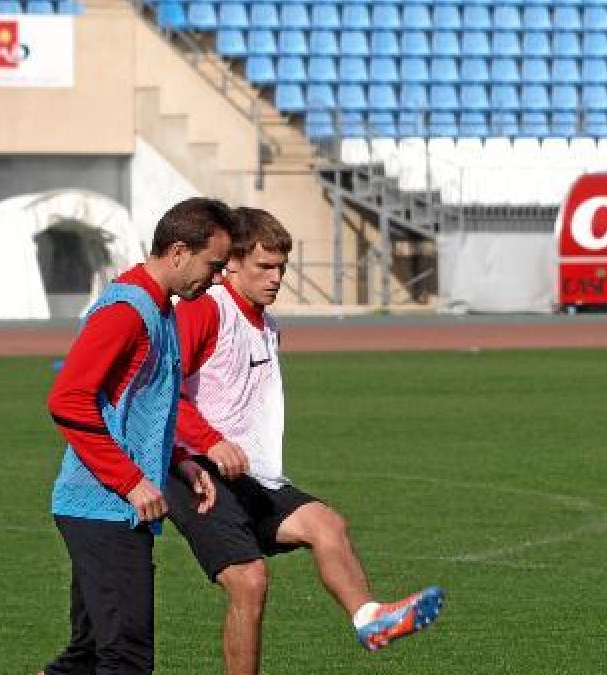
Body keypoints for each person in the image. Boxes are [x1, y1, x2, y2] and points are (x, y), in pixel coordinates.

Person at [165, 207, 444, 674]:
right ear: (230, 263)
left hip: (252, 474)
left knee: (327, 525)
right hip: (197, 471)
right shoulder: (205, 309)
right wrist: (208, 442)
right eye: (264, 267)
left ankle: (370, 619)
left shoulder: (268, 324)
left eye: (281, 269)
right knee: (249, 583)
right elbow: (162, 393)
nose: (276, 279)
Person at [41, 197, 240, 675]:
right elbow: (67, 399)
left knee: (87, 656)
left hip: (110, 506)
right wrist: (130, 481)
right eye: (213, 266)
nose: (217, 280)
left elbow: (135, 409)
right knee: (125, 658)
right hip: (103, 506)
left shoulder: (161, 309)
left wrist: (178, 460)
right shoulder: (128, 311)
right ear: (177, 251)